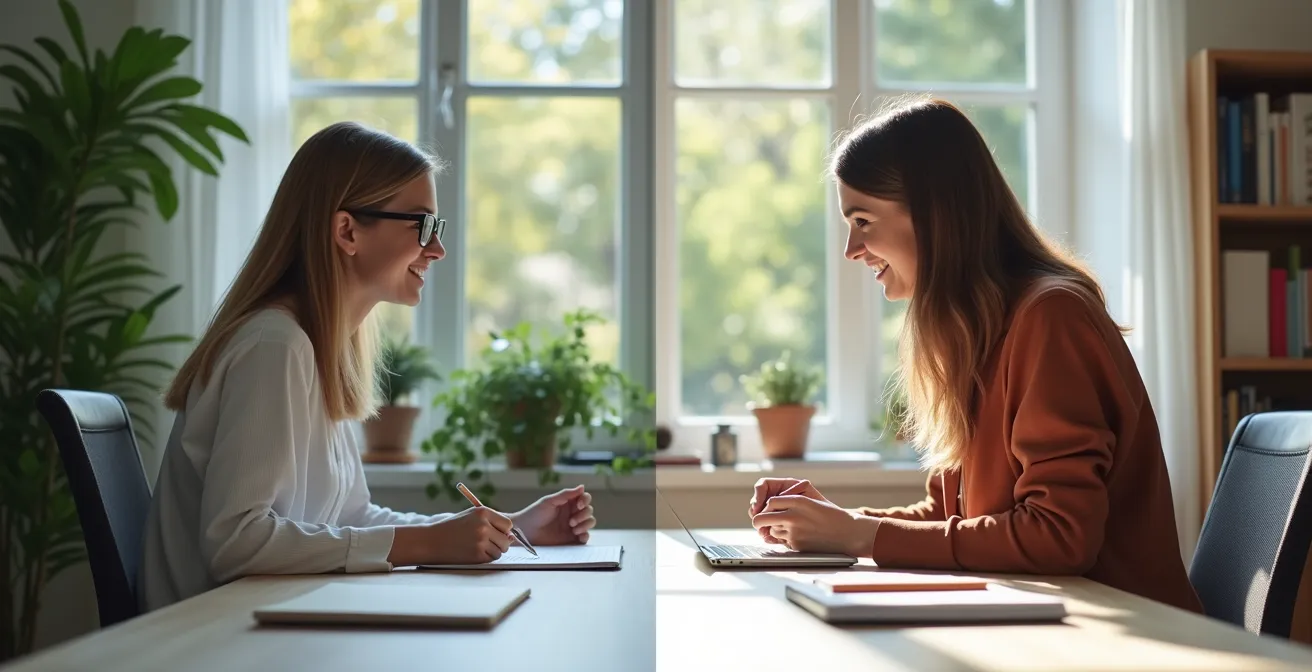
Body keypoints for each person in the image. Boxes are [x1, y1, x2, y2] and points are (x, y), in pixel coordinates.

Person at [747, 96, 1203, 613]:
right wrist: (837, 523)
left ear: (935, 213)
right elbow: (953, 516)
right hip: (1047, 621)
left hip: (1128, 636)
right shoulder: (975, 331)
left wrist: (861, 534)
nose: (852, 249)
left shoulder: (1052, 317)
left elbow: (1058, 537)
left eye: (864, 221)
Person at [140, 122, 595, 612]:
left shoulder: (316, 348)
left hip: (262, 628)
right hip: (209, 646)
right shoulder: (275, 346)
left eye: (437, 229)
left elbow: (352, 517)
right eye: (422, 225)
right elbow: (236, 542)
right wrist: (427, 544)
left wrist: (509, 527)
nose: (437, 249)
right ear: (347, 231)